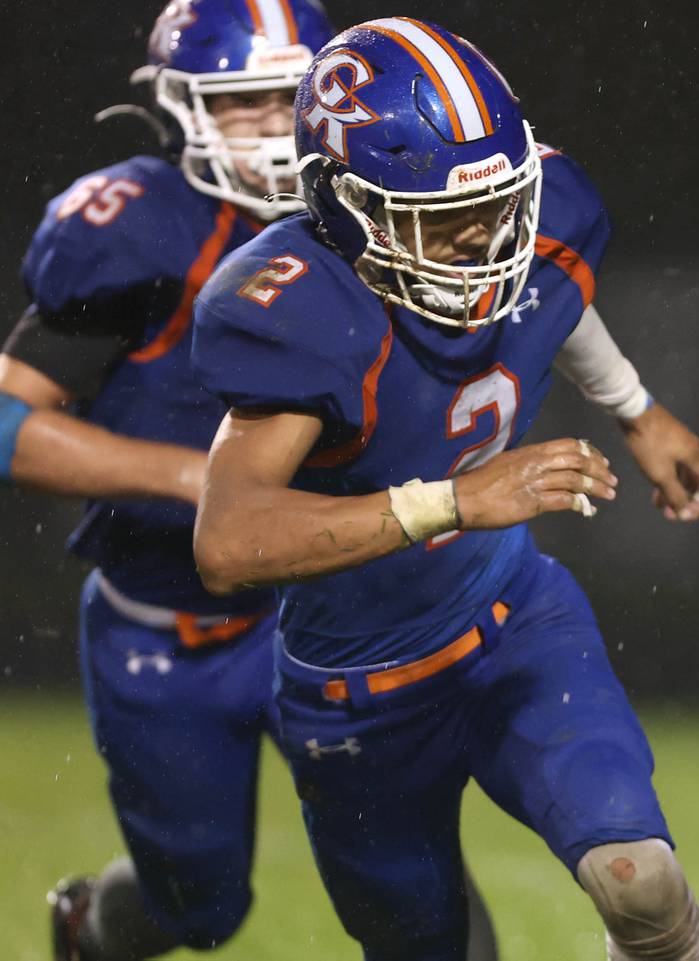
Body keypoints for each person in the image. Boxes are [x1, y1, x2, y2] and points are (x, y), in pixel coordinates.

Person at [189, 18, 699, 961]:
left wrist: (635, 407)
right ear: (346, 207)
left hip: (514, 623)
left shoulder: (538, 216)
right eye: (439, 215)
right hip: (355, 692)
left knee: (642, 881)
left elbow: (550, 287)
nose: (482, 237)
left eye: (499, 202)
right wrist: (454, 500)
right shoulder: (303, 306)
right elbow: (228, 540)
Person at [0, 2, 429, 959]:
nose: (276, 128)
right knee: (199, 907)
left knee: (411, 875)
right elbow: (5, 423)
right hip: (170, 631)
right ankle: (90, 927)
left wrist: (632, 405)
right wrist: (203, 480)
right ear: (181, 107)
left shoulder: (386, 209)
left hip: (329, 611)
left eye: (293, 97)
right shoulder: (138, 225)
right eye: (244, 104)